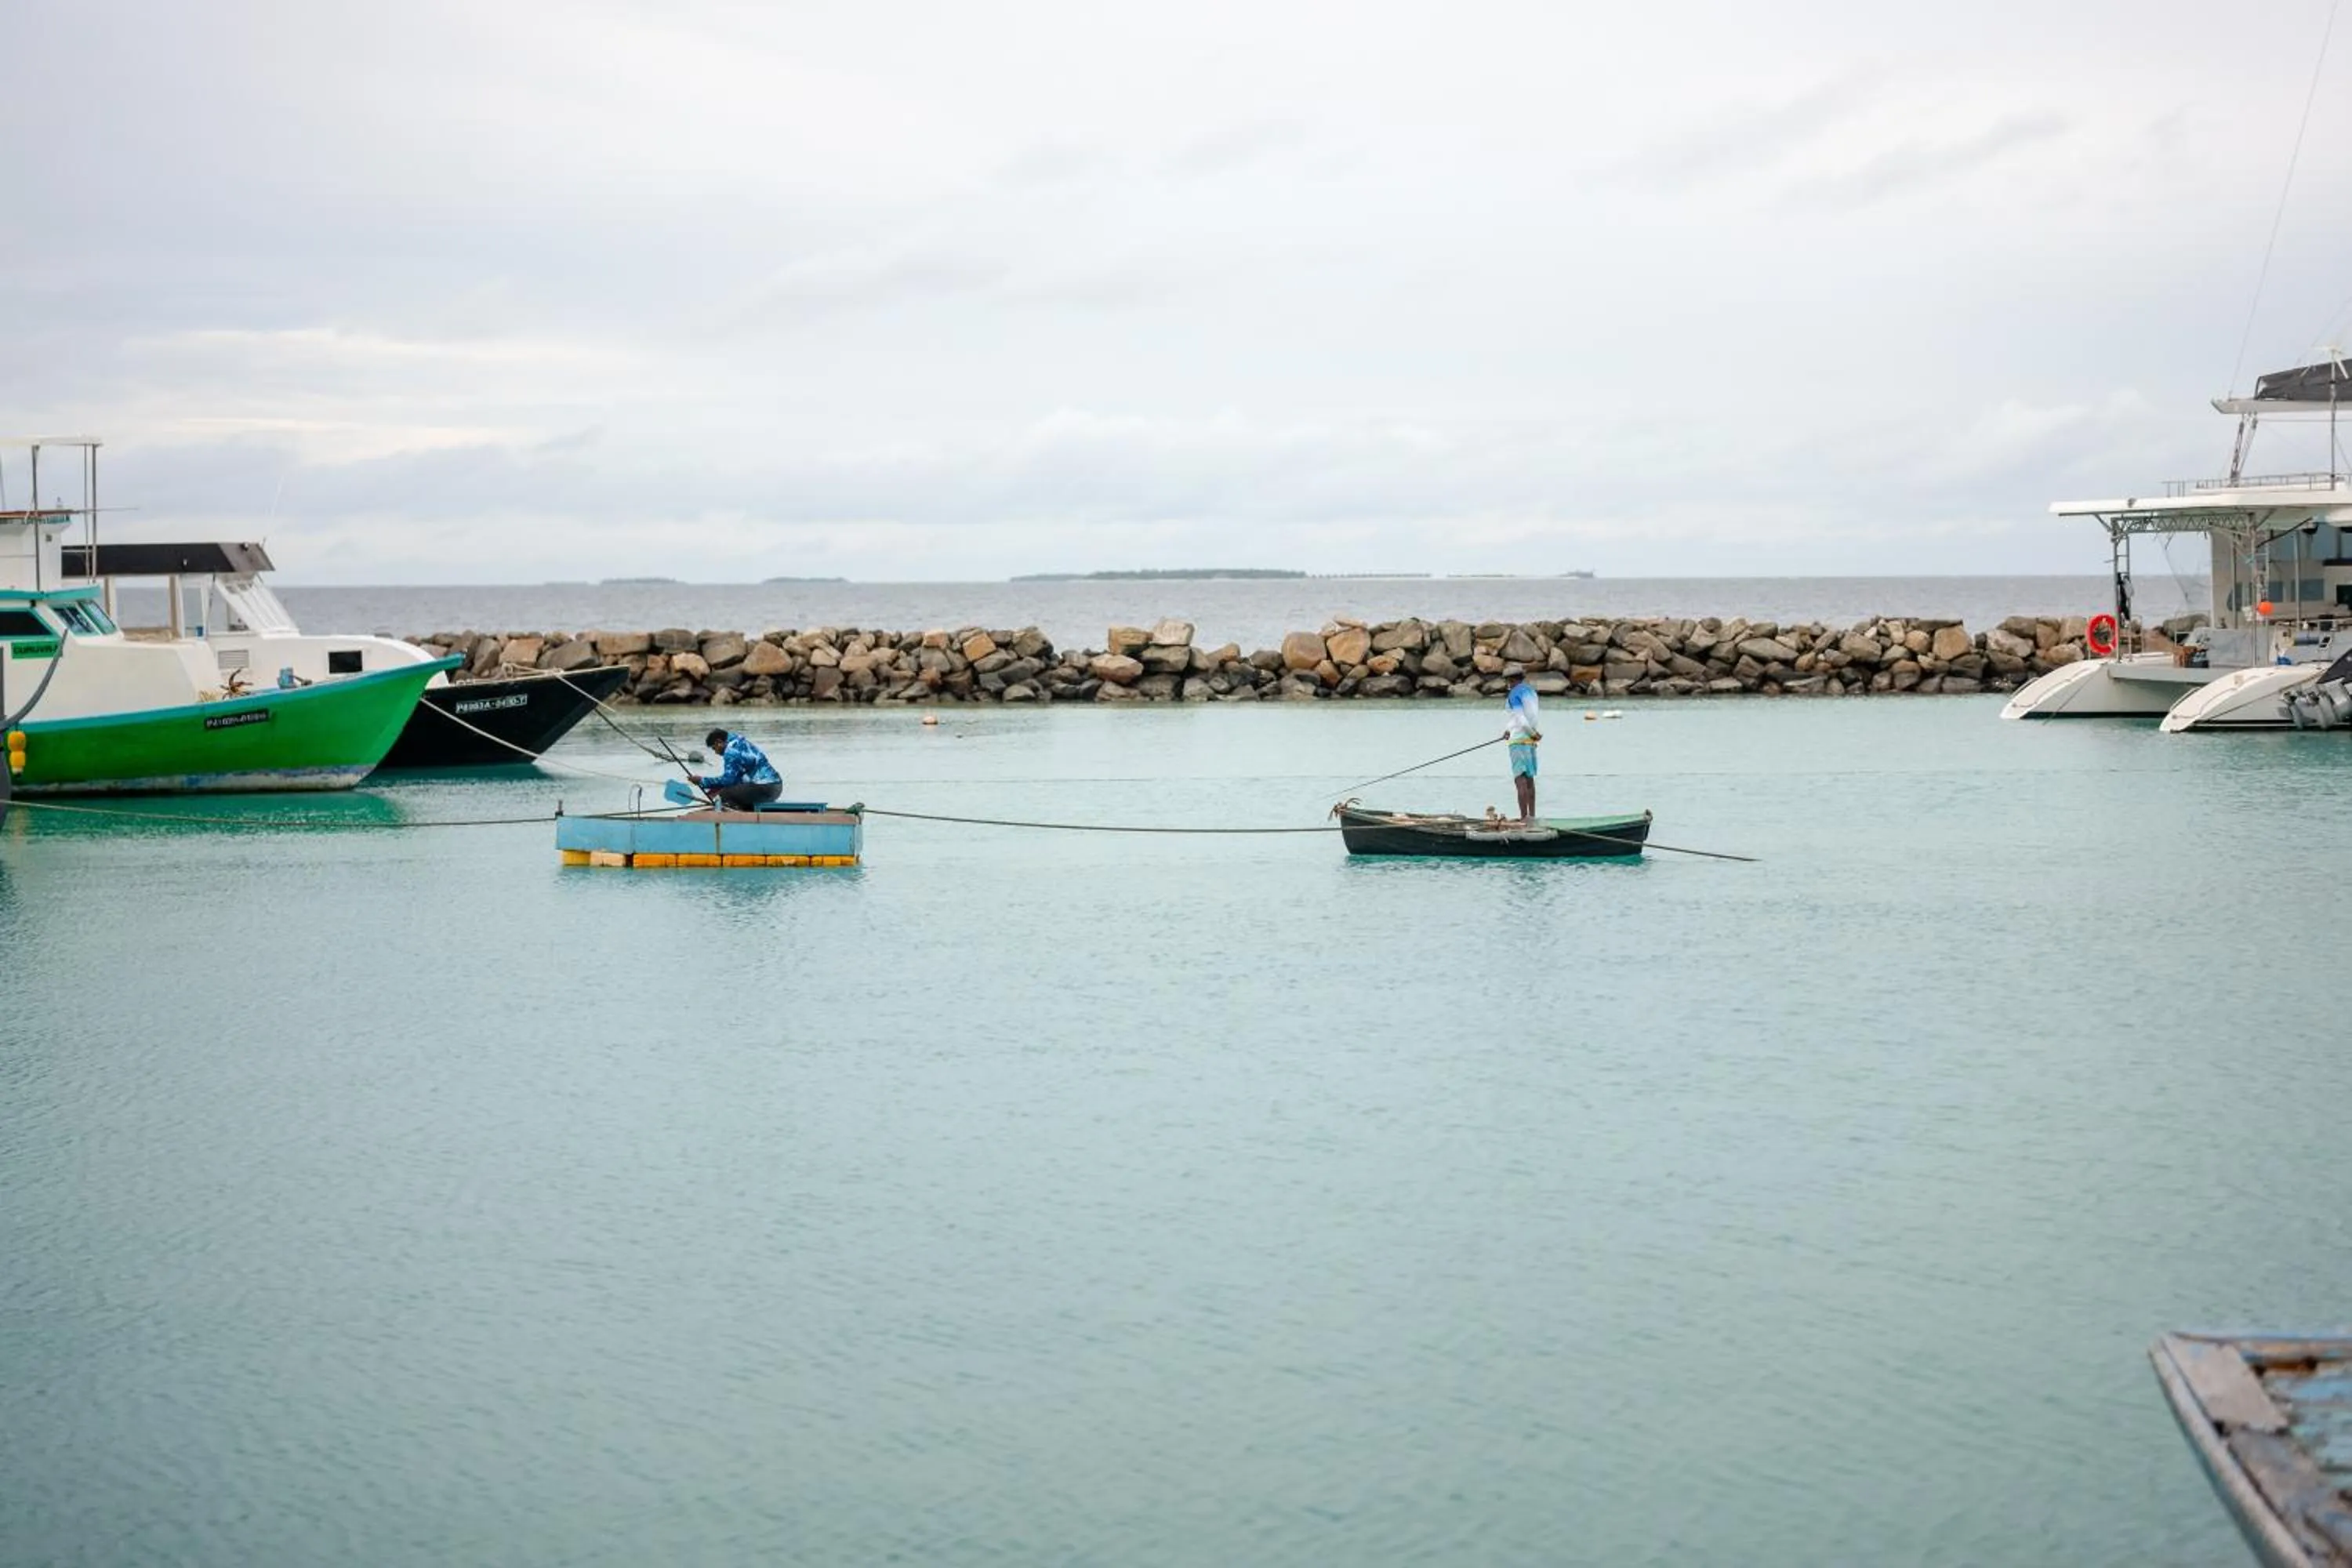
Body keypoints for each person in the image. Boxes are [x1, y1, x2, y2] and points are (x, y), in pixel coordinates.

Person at [699, 727, 783, 811]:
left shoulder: (730, 752)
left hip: (765, 788)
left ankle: (729, 817)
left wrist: (702, 781)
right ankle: (745, 813)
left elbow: (728, 780)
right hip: (776, 788)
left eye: (714, 748)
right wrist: (714, 787)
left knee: (724, 794)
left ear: (719, 742)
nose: (716, 753)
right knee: (728, 791)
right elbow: (737, 778)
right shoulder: (740, 742)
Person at [1501, 662, 1541, 822]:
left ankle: (1523, 818)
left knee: (1520, 779)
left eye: (1508, 681)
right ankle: (1532, 816)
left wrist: (1533, 734)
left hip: (1518, 741)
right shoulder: (1531, 692)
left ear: (1511, 680)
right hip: (1529, 741)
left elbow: (1522, 720)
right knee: (1530, 778)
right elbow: (1528, 717)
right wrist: (1509, 730)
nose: (1507, 684)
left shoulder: (1514, 695)